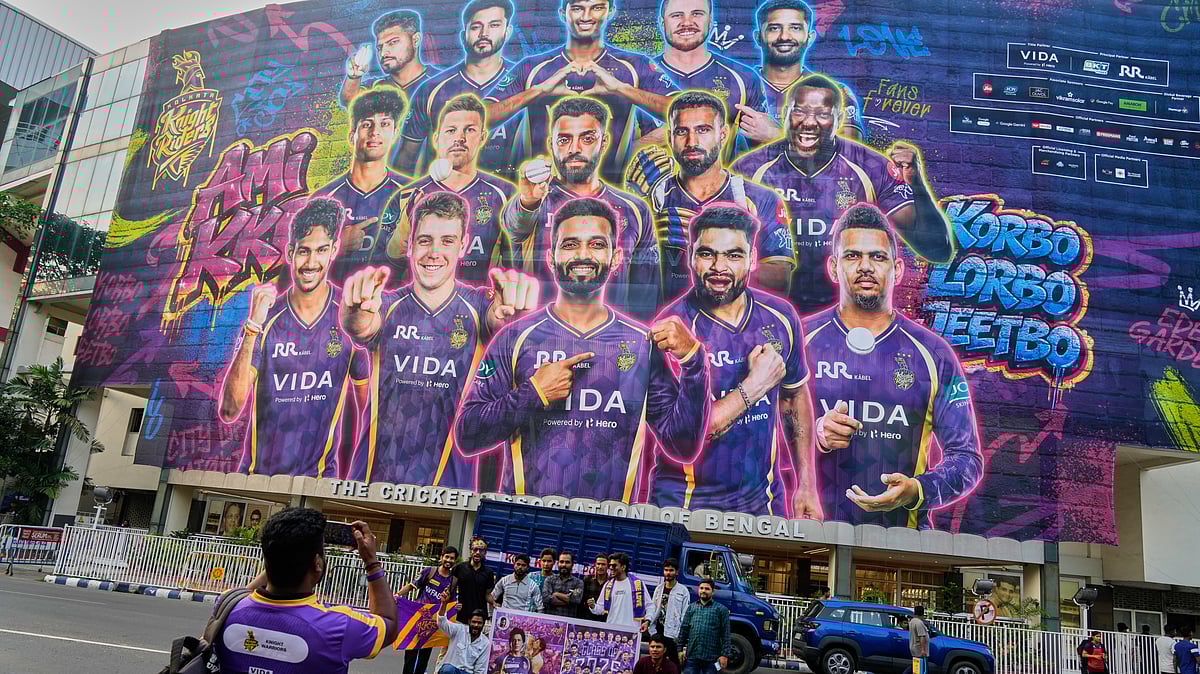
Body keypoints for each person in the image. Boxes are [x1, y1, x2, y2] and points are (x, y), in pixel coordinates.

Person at [455, 198, 710, 502]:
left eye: (597, 245)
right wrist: (534, 392)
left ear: (616, 258)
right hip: (527, 526)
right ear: (551, 257)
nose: (583, 255)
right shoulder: (515, 337)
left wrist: (695, 362)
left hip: (610, 532)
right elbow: (467, 435)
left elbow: (682, 446)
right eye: (571, 244)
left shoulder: (642, 343)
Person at [340, 192, 538, 486]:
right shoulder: (386, 305)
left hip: (450, 490)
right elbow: (361, 325)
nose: (434, 252)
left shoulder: (481, 306)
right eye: (424, 240)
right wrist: (352, 312)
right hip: (371, 482)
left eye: (447, 241)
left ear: (463, 246)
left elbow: (500, 323)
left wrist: (512, 319)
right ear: (409, 245)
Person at [805, 205, 984, 525]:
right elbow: (755, 441)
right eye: (852, 256)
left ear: (898, 269)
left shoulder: (935, 354)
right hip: (803, 538)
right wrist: (815, 434)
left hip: (903, 544)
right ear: (833, 267)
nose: (865, 267)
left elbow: (967, 460)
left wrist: (918, 489)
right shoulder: (800, 340)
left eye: (877, 257)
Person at [731, 73, 954, 314]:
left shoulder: (872, 167)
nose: (809, 122)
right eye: (800, 112)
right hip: (768, 315)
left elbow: (937, 249)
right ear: (785, 116)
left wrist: (917, 184)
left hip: (846, 321)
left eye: (823, 114)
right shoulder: (749, 170)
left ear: (837, 121)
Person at [650, 204, 818, 518]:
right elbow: (691, 436)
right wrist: (755, 386)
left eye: (734, 255)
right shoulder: (670, 329)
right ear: (690, 257)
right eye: (707, 254)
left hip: (764, 502)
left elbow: (794, 397)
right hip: (684, 506)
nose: (719, 267)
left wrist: (806, 484)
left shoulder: (781, 317)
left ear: (753, 259)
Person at [218, 198, 367, 478]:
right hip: (257, 480)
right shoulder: (265, 319)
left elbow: (369, 409)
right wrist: (252, 327)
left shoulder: (349, 315)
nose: (311, 262)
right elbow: (229, 409)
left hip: (318, 484)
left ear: (334, 250)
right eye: (304, 251)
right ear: (290, 252)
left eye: (321, 250)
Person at [499, 97, 661, 321]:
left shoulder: (635, 209)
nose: (574, 149)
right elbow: (514, 226)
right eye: (564, 140)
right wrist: (528, 200)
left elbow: (644, 297)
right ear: (551, 144)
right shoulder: (535, 199)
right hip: (538, 342)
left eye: (587, 138)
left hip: (611, 344)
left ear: (603, 143)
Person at [482, 0, 679, 183]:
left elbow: (687, 111)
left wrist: (622, 89)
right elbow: (478, 118)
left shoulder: (634, 66)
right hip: (543, 195)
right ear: (563, 13)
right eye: (577, 8)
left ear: (610, 12)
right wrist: (537, 90)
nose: (586, 16)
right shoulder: (532, 67)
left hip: (610, 196)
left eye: (596, 7)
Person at [625, 91, 794, 304]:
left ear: (722, 134)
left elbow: (781, 280)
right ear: (669, 138)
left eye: (703, 130)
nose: (692, 141)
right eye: (681, 131)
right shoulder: (653, 196)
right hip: (665, 325)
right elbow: (619, 275)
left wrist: (712, 248)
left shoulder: (759, 198)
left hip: (731, 329)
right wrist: (641, 222)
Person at [213, 509, 399, 673]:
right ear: (317, 563)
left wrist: (279, 555)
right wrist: (371, 562)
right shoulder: (339, 626)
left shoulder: (226, 606)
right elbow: (388, 624)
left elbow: (243, 596)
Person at [386, 94, 517, 285]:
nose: (460, 138)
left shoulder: (505, 194)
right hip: (419, 310)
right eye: (451, 130)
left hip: (479, 308)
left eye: (469, 130)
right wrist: (406, 224)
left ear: (482, 137)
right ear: (437, 138)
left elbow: (516, 264)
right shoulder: (407, 195)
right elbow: (389, 264)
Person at [394, 0, 516, 177]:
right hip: (443, 199)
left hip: (514, 197)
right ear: (463, 35)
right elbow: (405, 160)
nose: (484, 33)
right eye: (476, 27)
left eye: (494, 25)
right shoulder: (431, 89)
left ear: (507, 31)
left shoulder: (522, 84)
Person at [654, 0, 776, 156]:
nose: (687, 22)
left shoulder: (743, 78)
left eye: (697, 14)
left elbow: (763, 155)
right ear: (661, 22)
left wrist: (774, 134)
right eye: (677, 15)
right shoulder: (636, 76)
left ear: (710, 20)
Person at [313, 88, 408, 285]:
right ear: (351, 136)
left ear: (395, 133)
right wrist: (338, 246)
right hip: (336, 307)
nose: (375, 132)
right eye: (367, 124)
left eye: (385, 124)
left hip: (392, 308)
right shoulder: (324, 197)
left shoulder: (410, 192)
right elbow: (299, 262)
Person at [752, 0, 862, 139]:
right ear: (758, 37)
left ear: (810, 38)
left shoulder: (836, 93)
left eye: (795, 28)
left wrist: (777, 135)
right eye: (774, 28)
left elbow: (851, 152)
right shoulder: (740, 84)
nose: (784, 36)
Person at [341, 10, 435, 111]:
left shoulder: (441, 81)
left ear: (415, 40)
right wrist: (354, 77)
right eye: (379, 47)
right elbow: (351, 101)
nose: (383, 53)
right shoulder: (375, 86)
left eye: (393, 42)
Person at [397, 547, 462, 674]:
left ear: (455, 561)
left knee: (423, 659)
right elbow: (412, 586)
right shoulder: (429, 572)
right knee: (410, 657)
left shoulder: (453, 581)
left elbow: (452, 604)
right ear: (441, 557)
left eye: (452, 558)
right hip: (417, 621)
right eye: (447, 557)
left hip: (433, 625)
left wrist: (457, 607)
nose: (449, 560)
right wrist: (398, 595)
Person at [677, 579, 730, 674]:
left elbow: (725, 634)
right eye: (701, 588)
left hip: (712, 658)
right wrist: (679, 650)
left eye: (707, 589)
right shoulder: (691, 608)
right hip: (692, 656)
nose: (703, 591)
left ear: (713, 591)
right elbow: (684, 629)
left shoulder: (721, 610)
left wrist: (724, 655)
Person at [643, 559, 689, 667]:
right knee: (656, 661)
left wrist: (679, 635)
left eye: (671, 570)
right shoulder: (659, 589)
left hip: (672, 633)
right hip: (657, 630)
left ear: (676, 572)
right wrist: (648, 623)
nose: (668, 573)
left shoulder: (683, 590)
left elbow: (684, 614)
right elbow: (652, 608)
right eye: (666, 570)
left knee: (673, 663)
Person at [589, 552, 653, 627]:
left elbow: (649, 605)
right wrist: (593, 606)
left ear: (623, 567)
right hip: (612, 631)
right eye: (610, 565)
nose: (611, 568)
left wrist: (648, 620)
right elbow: (601, 609)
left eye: (614, 565)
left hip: (632, 631)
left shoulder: (637, 584)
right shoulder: (608, 585)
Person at [436, 603, 489, 674]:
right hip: (450, 670)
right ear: (469, 622)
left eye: (479, 623)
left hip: (467, 672)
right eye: (474, 622)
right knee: (448, 669)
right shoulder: (459, 629)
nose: (476, 625)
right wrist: (444, 603)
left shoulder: (485, 643)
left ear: (483, 624)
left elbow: (480, 670)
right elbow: (442, 623)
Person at [454, 537, 497, 622]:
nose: (478, 552)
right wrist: (453, 603)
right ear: (471, 550)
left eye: (481, 550)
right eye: (475, 549)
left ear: (485, 553)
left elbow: (487, 594)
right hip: (460, 614)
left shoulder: (489, 572)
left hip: (479, 617)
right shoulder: (459, 568)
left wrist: (494, 603)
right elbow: (451, 588)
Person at [544, 550, 585, 617]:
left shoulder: (578, 582)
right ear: (558, 564)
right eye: (561, 562)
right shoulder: (550, 579)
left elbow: (576, 600)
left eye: (567, 562)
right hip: (550, 621)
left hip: (568, 623)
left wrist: (556, 594)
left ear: (572, 565)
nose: (564, 565)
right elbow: (546, 599)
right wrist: (568, 601)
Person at [580, 554, 610, 619]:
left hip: (604, 618)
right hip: (587, 617)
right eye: (598, 564)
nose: (600, 567)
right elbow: (581, 600)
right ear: (595, 565)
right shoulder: (587, 579)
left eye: (603, 564)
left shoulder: (611, 582)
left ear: (608, 566)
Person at [908, 605, 930, 673]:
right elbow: (921, 636)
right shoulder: (919, 623)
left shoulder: (912, 621)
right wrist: (923, 650)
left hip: (914, 647)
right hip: (919, 650)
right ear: (922, 613)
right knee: (922, 668)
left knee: (915, 667)